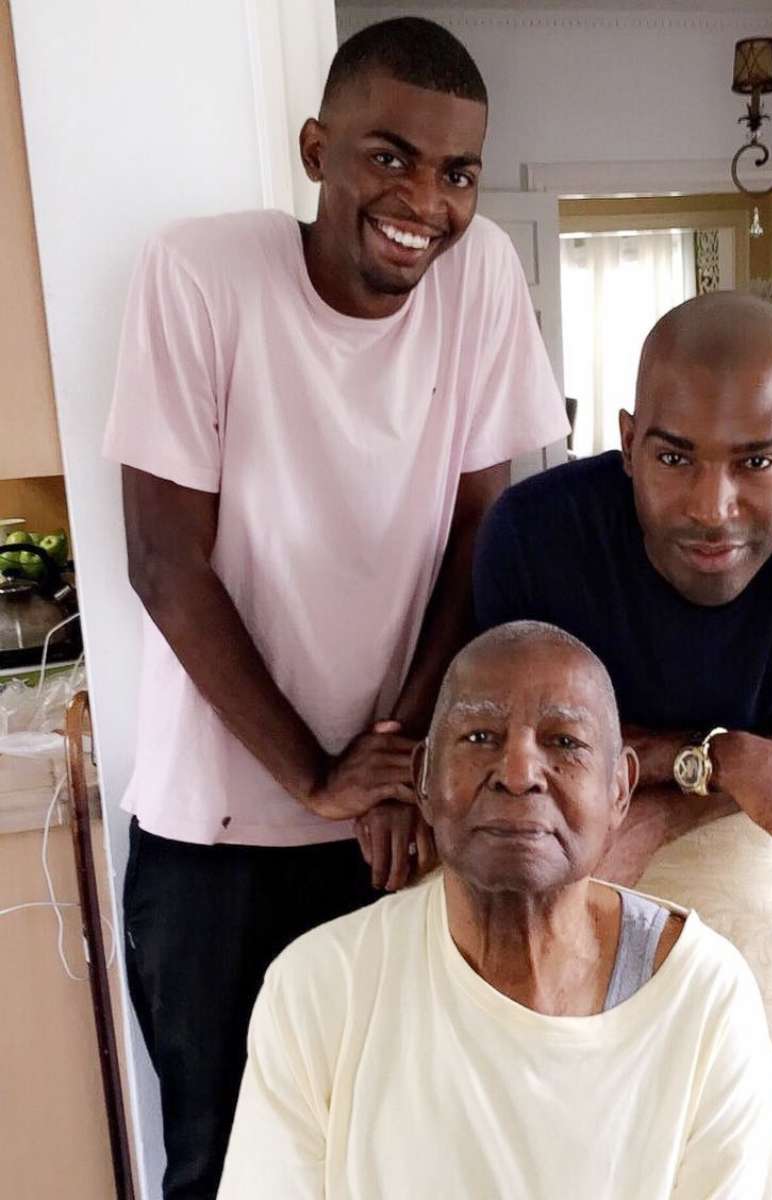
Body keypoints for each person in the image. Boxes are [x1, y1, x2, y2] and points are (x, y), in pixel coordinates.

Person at [103, 17, 568, 1198]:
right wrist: (313, 774)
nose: (425, 198)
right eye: (390, 155)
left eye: (457, 171)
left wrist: (398, 758)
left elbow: (480, 536)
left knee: (392, 1150)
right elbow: (165, 561)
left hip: (393, 829)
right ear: (317, 148)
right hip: (213, 842)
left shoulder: (481, 283)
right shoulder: (200, 274)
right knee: (223, 1162)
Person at [473, 292, 772, 1198]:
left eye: (755, 461)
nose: (710, 508)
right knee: (551, 1103)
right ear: (625, 439)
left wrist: (682, 788)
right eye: (673, 457)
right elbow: (522, 747)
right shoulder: (532, 537)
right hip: (577, 818)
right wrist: (720, 756)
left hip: (751, 831)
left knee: (729, 1106)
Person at [217, 621, 772, 1200]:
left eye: (564, 742)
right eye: (481, 736)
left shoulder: (705, 998)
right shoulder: (319, 989)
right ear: (424, 782)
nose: (518, 774)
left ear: (619, 792)